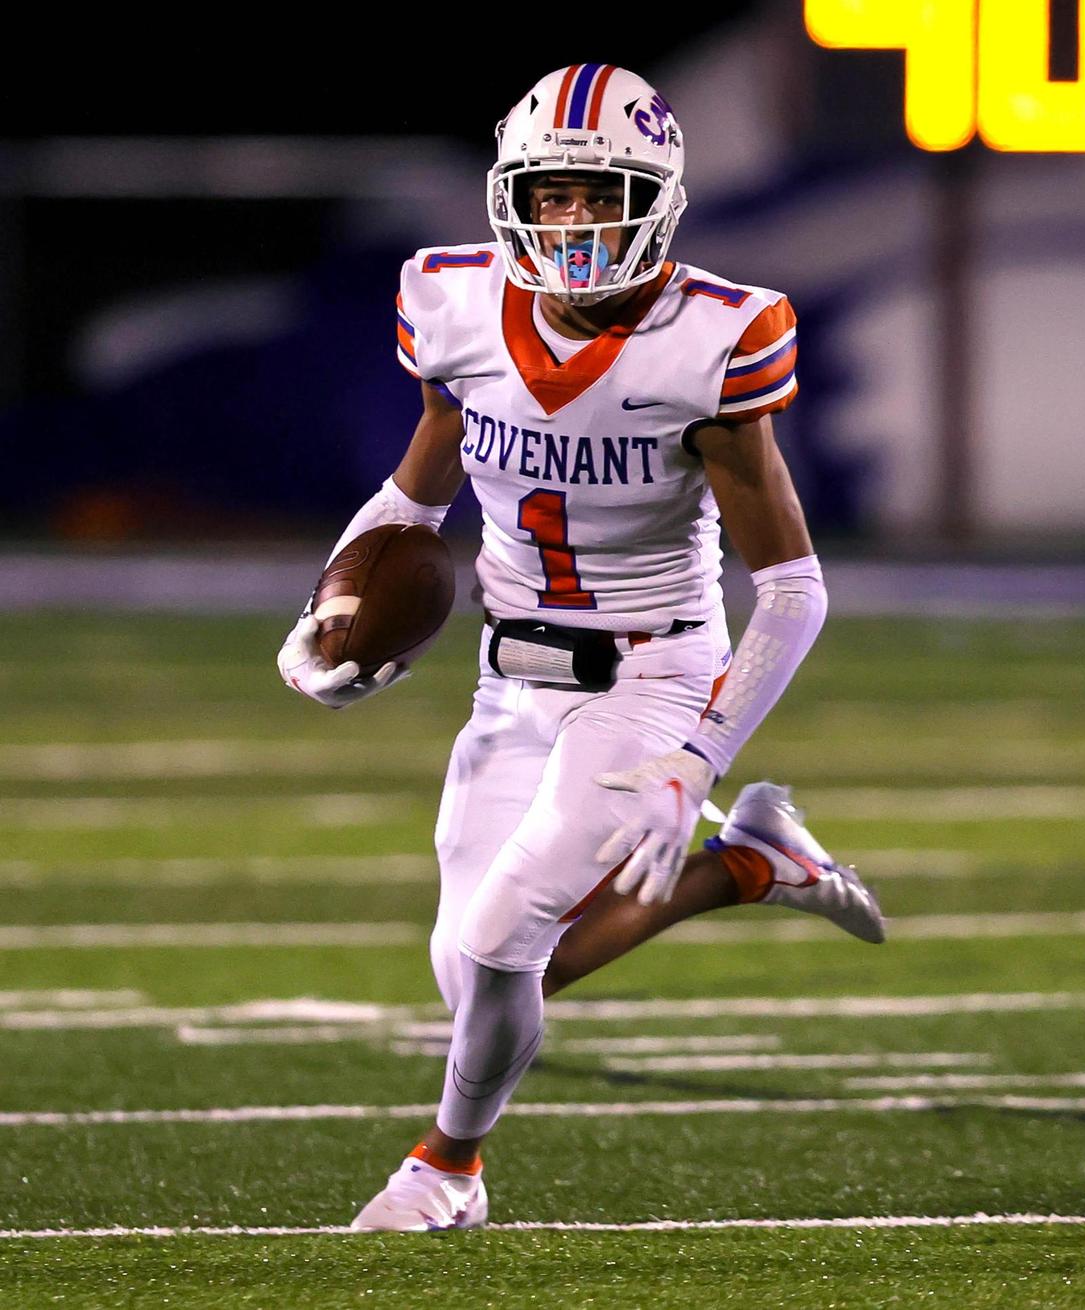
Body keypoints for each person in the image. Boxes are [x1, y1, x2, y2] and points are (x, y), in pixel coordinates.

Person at [277, 64, 884, 1232]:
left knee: (509, 941)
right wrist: (328, 612)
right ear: (512, 196)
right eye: (551, 195)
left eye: (600, 193)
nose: (574, 221)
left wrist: (693, 757)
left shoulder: (712, 339)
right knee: (480, 976)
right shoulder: (454, 307)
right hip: (511, 676)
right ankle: (750, 865)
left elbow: (795, 588)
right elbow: (414, 500)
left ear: (656, 198)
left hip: (654, 672)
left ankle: (446, 1167)